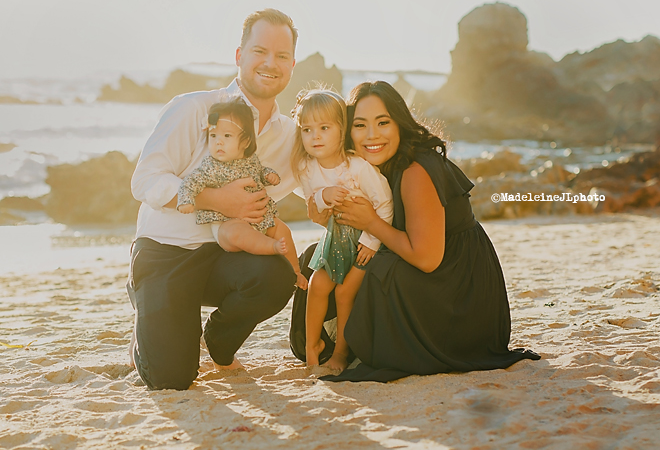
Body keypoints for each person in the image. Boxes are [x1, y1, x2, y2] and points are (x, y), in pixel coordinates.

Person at [289, 80, 539, 381]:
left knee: (372, 271)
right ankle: (326, 344)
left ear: (400, 124)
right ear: (347, 132)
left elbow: (427, 258)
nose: (371, 135)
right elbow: (328, 215)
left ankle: (346, 348)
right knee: (315, 258)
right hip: (433, 269)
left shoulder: (416, 171)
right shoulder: (369, 166)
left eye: (383, 122)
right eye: (360, 125)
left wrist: (371, 223)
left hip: (458, 295)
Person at [128, 9, 300, 390]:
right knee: (171, 377)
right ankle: (147, 307)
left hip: (226, 256)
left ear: (291, 65)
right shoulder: (193, 108)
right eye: (260, 51)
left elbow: (324, 174)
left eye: (282, 56)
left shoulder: (289, 134)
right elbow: (146, 181)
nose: (271, 63)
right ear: (239, 56)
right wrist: (218, 200)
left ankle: (218, 342)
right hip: (166, 251)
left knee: (278, 274)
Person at [290, 89, 392, 373]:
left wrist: (372, 241)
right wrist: (325, 195)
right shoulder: (307, 169)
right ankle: (312, 347)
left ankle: (340, 353)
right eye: (307, 130)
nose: (316, 136)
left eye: (324, 128)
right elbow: (313, 203)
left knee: (345, 293)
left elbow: (385, 203)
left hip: (364, 240)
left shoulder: (357, 167)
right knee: (317, 285)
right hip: (335, 238)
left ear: (341, 130)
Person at [176, 99, 305, 285]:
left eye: (227, 136)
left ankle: (295, 270)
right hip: (227, 224)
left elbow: (260, 172)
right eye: (213, 136)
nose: (219, 142)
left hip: (259, 218)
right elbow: (191, 181)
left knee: (282, 229)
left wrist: (269, 175)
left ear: (245, 141)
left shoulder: (250, 160)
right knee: (239, 233)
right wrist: (186, 199)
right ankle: (272, 247)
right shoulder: (211, 166)